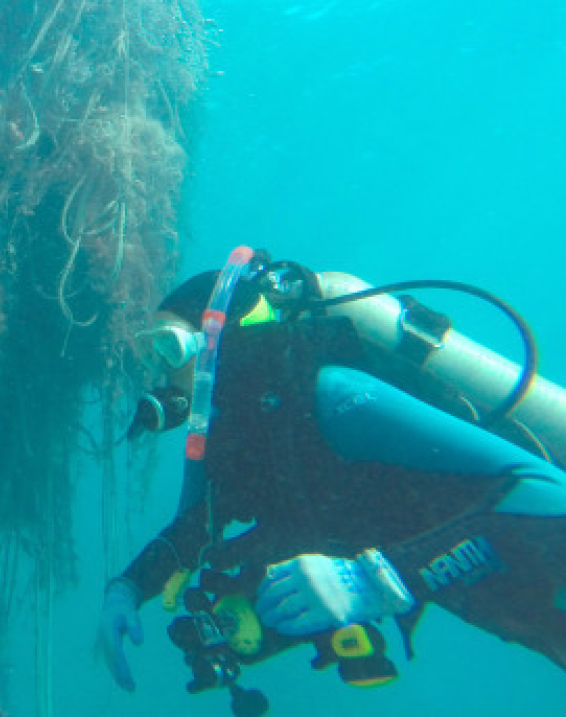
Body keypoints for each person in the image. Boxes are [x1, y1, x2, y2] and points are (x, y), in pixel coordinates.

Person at [97, 247, 566, 701]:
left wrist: (378, 580)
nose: (160, 373)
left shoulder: (335, 397)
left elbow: (550, 497)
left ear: (227, 340)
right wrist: (129, 586)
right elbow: (198, 523)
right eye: (150, 354)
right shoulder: (249, 437)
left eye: (169, 347)